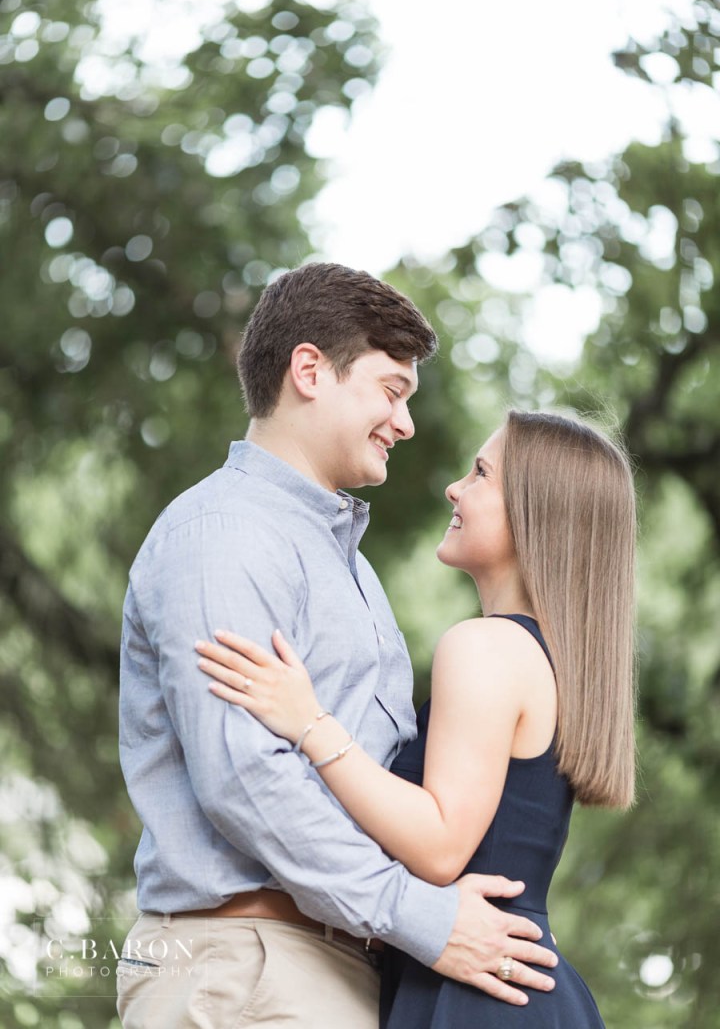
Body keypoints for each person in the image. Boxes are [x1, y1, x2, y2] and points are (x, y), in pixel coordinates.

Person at [116, 263, 558, 1029]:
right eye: (393, 391)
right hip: (248, 967)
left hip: (325, 968)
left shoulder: (351, 569)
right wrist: (421, 917)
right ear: (311, 371)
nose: (406, 423)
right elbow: (246, 782)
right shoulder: (224, 537)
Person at [197, 408, 637, 1027]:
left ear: (537, 513)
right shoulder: (551, 660)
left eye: (482, 473)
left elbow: (439, 845)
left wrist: (309, 722)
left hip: (476, 995)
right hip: (507, 985)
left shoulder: (485, 647)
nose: (456, 487)